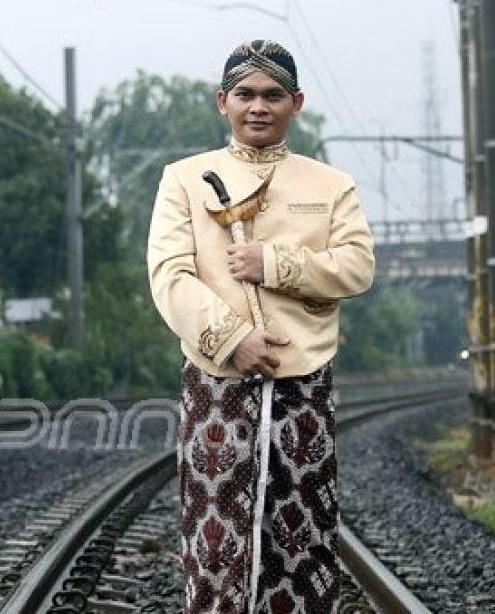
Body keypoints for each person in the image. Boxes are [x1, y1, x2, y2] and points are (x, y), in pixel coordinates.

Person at [147, 40, 375, 613]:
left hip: (305, 380)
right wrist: (231, 340)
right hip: (215, 381)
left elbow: (357, 267)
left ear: (296, 103)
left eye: (274, 95)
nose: (259, 106)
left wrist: (274, 264)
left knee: (303, 536)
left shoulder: (331, 185)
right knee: (215, 534)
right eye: (245, 94)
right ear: (221, 101)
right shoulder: (184, 180)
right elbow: (169, 275)